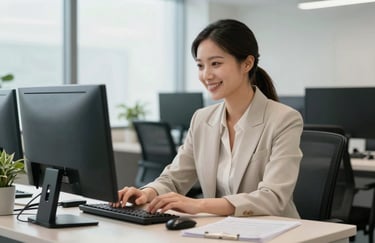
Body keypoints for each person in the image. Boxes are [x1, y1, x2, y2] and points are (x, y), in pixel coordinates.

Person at [113, 19, 303, 218]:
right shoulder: (202, 119)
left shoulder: (284, 119)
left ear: (247, 63)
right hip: (220, 231)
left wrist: (199, 205)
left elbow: (273, 198)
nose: (206, 75)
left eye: (216, 64)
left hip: (275, 230)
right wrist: (147, 193)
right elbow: (175, 178)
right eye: (200, 66)